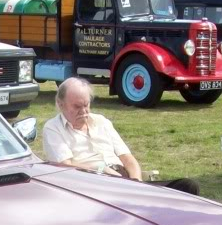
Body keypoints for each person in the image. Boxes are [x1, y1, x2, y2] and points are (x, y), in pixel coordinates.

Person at [42, 77, 199, 195]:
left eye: (86, 105)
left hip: (125, 182)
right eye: (77, 106)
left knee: (187, 186)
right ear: (60, 104)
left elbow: (127, 158)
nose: (83, 111)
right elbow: (64, 167)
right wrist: (100, 169)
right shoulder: (53, 128)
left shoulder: (101, 121)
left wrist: (136, 183)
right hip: (96, 185)